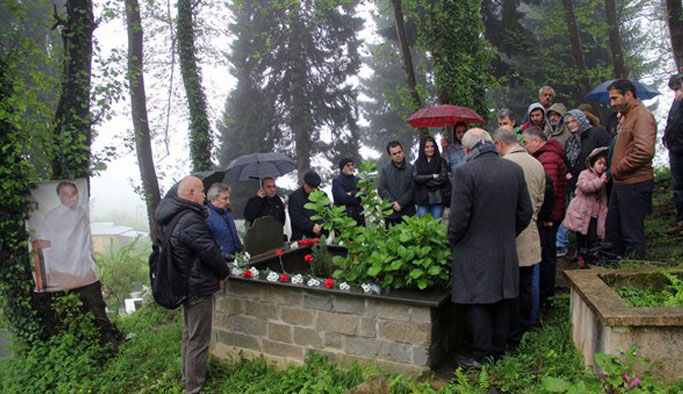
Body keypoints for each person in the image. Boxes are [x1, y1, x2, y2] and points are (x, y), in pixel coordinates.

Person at [448, 128, 532, 368]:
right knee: (502, 298)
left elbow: (458, 219)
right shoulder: (513, 169)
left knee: (478, 301)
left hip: (474, 249)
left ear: (467, 149)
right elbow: (526, 211)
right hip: (505, 247)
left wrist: (453, 239)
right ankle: (498, 350)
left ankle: (482, 355)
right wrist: (507, 233)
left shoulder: (466, 172)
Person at [154, 176, 228, 394]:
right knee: (198, 340)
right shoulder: (190, 219)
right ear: (190, 193)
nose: (205, 195)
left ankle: (188, 381)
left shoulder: (173, 214)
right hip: (197, 285)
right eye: (202, 191)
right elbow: (207, 251)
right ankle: (194, 388)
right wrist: (223, 272)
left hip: (183, 282)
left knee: (189, 336)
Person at [493, 127, 545, 335]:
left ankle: (513, 328)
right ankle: (529, 322)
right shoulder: (537, 163)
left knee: (511, 285)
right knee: (528, 281)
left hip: (511, 231)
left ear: (499, 144)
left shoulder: (505, 165)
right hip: (531, 230)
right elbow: (540, 199)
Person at [605, 79, 656, 259]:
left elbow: (644, 151)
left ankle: (635, 275)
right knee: (613, 231)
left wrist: (618, 169)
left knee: (632, 234)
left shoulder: (642, 115)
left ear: (628, 94)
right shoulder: (628, 116)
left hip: (634, 183)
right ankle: (616, 273)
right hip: (622, 183)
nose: (612, 104)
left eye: (615, 98)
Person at [523, 127, 567, 306]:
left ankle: (545, 295)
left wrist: (546, 217)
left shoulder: (546, 158)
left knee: (546, 255)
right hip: (552, 214)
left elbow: (549, 190)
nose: (525, 147)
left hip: (549, 217)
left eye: (526, 142)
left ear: (536, 141)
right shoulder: (546, 155)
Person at [558, 109, 611, 257]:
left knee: (596, 215)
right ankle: (581, 248)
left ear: (581, 119)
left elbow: (607, 152)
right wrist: (569, 177)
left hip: (598, 182)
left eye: (573, 121)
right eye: (567, 123)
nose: (570, 125)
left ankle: (595, 247)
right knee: (580, 216)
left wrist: (602, 173)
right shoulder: (571, 141)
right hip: (578, 184)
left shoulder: (597, 134)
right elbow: (566, 161)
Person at [563, 148, 610, 268]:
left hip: (595, 214)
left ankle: (590, 256)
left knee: (592, 237)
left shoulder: (604, 180)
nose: (602, 167)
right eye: (600, 163)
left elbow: (603, 199)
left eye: (605, 165)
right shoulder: (585, 174)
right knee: (581, 236)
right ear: (593, 162)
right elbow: (586, 187)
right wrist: (600, 181)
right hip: (582, 212)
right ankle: (580, 256)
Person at [663, 73, 683, 235]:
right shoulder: (675, 103)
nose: (676, 93)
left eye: (677, 89)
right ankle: (681, 220)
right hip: (675, 150)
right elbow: (671, 123)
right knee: (678, 187)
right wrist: (665, 139)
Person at [378, 141, 415, 226]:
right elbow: (381, 188)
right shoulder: (385, 170)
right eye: (394, 154)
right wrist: (393, 202)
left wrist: (401, 203)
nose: (398, 155)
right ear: (390, 156)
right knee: (390, 238)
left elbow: (413, 188)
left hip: (408, 213)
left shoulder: (411, 168)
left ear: (403, 151)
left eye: (399, 152)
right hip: (390, 214)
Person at [413, 136, 449, 219]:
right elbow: (416, 178)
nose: (430, 149)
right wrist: (432, 176)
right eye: (427, 147)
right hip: (422, 199)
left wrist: (424, 182)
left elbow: (442, 178)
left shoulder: (441, 161)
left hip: (438, 199)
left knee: (436, 224)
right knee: (423, 224)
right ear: (423, 148)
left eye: (432, 146)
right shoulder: (418, 163)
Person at [206, 183, 243, 257]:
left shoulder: (226, 213)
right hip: (221, 262)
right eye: (225, 198)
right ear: (213, 200)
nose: (228, 202)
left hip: (236, 258)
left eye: (228, 198)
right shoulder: (206, 217)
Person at [289, 171, 326, 240]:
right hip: (301, 237)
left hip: (319, 236)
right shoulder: (294, 197)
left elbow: (326, 213)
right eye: (310, 187)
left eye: (315, 187)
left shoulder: (322, 196)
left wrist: (319, 226)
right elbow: (296, 218)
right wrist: (312, 226)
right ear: (304, 183)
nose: (313, 190)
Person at [332, 158, 364, 225]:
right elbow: (343, 198)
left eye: (352, 165)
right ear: (342, 168)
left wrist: (352, 193)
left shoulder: (358, 180)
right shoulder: (337, 181)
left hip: (359, 217)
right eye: (348, 165)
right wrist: (358, 199)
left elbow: (364, 195)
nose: (351, 167)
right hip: (345, 218)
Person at [443, 121, 468, 185]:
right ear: (455, 134)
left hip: (470, 182)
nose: (461, 134)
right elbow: (445, 166)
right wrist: (445, 149)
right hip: (456, 184)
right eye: (458, 132)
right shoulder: (450, 149)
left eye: (464, 131)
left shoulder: (472, 147)